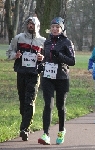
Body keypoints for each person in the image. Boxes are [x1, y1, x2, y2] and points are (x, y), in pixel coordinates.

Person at [6, 17, 46, 141]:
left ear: (37, 26)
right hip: (21, 72)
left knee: (30, 100)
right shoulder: (18, 38)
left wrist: (42, 58)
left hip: (34, 74)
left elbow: (48, 57)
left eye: (33, 24)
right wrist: (15, 55)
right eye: (29, 23)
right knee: (23, 101)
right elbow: (8, 53)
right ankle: (25, 123)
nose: (30, 26)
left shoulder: (43, 41)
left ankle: (25, 129)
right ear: (26, 25)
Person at [37, 17, 75, 145]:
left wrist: (60, 56)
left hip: (61, 77)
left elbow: (72, 61)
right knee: (48, 105)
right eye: (53, 27)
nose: (54, 29)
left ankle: (61, 131)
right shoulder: (47, 42)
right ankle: (46, 134)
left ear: (61, 28)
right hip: (47, 77)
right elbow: (45, 58)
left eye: (57, 27)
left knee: (60, 106)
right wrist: (41, 64)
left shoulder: (67, 42)